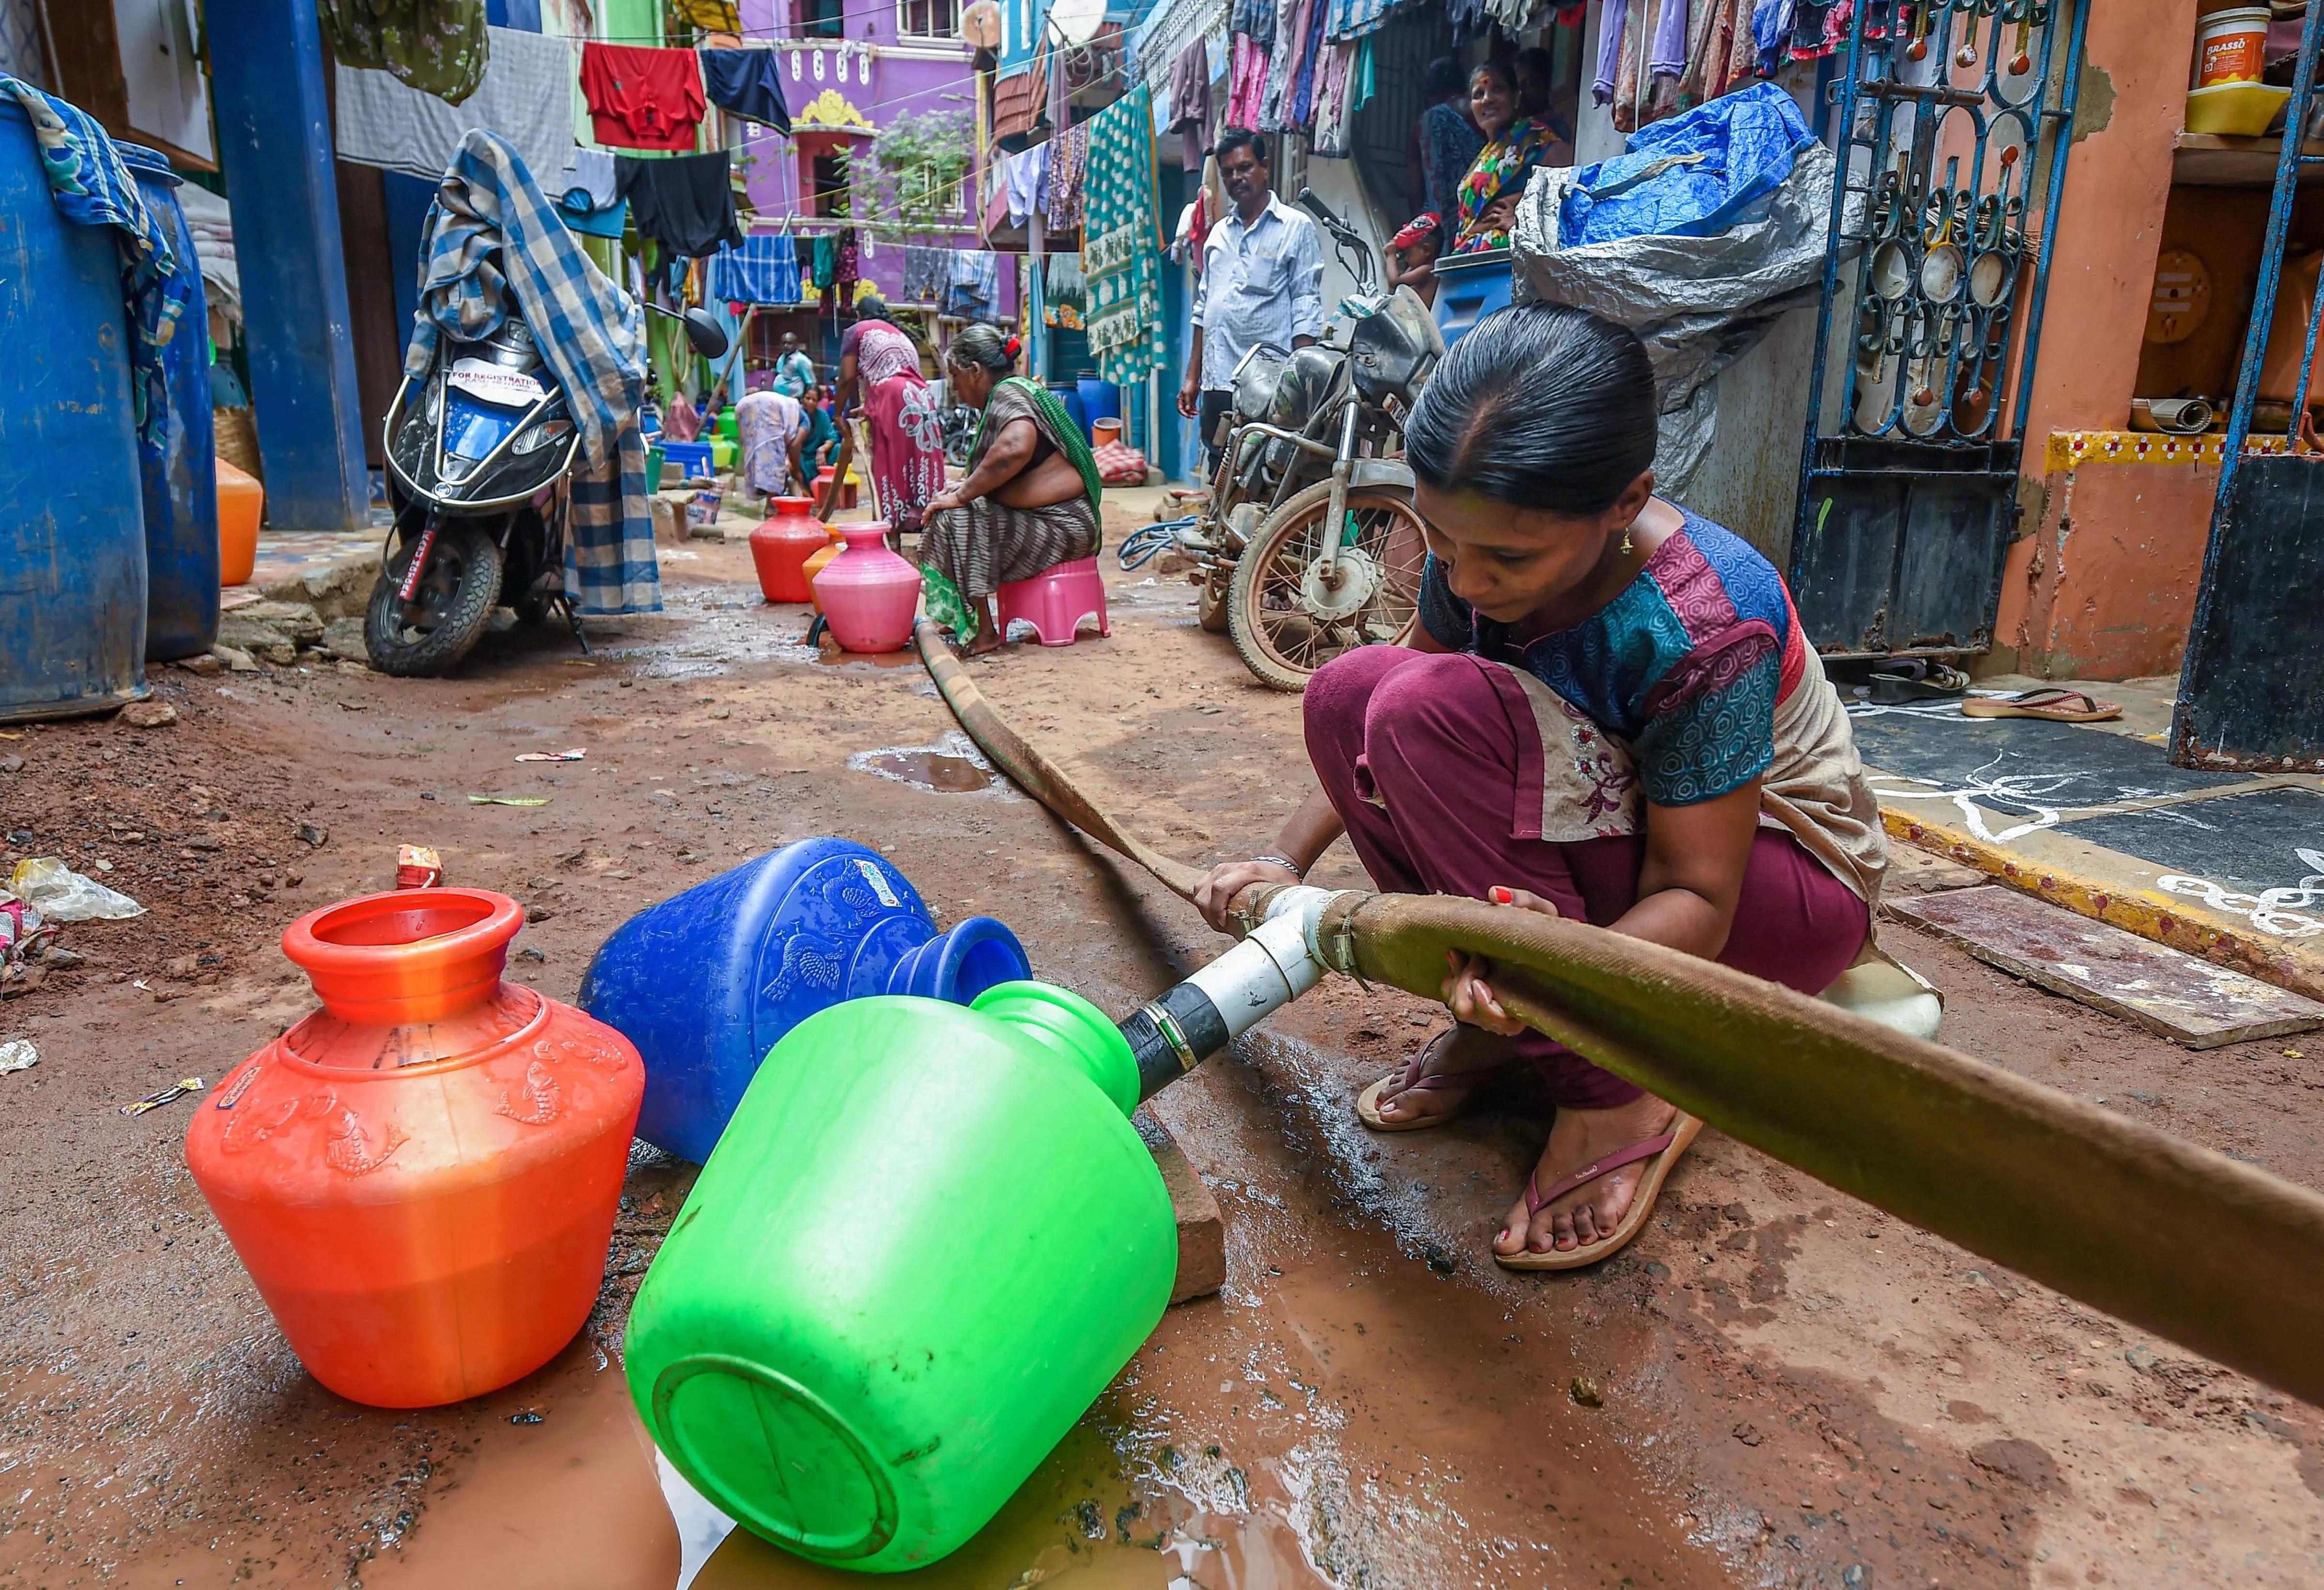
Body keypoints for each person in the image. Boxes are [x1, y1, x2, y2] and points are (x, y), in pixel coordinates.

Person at [1193, 305, 1885, 1271]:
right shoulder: (1473, 549)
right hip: (1613, 863)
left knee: (1424, 707)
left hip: (1775, 898)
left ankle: (1613, 1091)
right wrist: (1278, 859)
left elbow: (1699, 898)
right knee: (1355, 690)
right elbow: (1373, 725)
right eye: (1442, 543)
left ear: (1624, 500)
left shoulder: (1705, 618)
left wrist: (1538, 966)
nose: (1468, 580)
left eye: (1508, 559)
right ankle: (1523, 1030)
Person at [921, 324, 1102, 657]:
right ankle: (963, 613)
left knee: (956, 516)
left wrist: (963, 495)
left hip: (1063, 527)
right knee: (952, 509)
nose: (954, 388)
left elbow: (1016, 447)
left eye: (954, 376)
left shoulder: (1008, 394)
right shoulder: (1017, 391)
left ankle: (983, 632)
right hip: (1057, 521)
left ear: (975, 371)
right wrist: (967, 488)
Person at [1175, 129, 1324, 472]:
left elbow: (1305, 306)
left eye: (1244, 168)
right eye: (1228, 172)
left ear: (1266, 168)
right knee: (1219, 469)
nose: (1235, 178)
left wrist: (1300, 385)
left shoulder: (1295, 228)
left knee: (1264, 474)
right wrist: (1193, 376)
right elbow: (1204, 310)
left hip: (1267, 384)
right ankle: (1221, 528)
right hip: (1218, 381)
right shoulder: (1218, 236)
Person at [829, 296, 945, 535]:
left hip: (891, 396)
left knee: (888, 460)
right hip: (921, 397)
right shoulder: (899, 334)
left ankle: (890, 534)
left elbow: (848, 378)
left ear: (860, 316)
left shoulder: (856, 331)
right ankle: (927, 525)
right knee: (918, 460)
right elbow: (900, 374)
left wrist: (838, 412)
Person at [1452, 58, 1571, 255]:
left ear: (1516, 98)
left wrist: (1519, 219)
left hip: (1508, 259)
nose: (1487, 100)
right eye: (1478, 94)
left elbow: (1569, 191)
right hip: (1472, 259)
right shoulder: (1485, 156)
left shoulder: (1535, 138)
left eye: (1497, 90)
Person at [1413, 56, 1485, 227]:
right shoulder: (1485, 113)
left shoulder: (1425, 124)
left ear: (1432, 91)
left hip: (1438, 225)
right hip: (1479, 215)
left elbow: (1415, 187)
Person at [735, 387, 806, 496]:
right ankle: (771, 505)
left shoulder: (789, 410)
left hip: (742, 406)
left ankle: (767, 496)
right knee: (774, 463)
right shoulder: (806, 422)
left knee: (758, 452)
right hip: (768, 407)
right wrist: (797, 472)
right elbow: (794, 446)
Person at [1385, 212, 1446, 309]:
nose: (1406, 259)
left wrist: (1391, 255)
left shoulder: (1429, 269)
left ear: (1426, 250)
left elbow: (1395, 282)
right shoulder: (1414, 268)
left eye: (1408, 254)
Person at [799, 382, 841, 474]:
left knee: (839, 449)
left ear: (818, 402)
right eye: (808, 398)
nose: (811, 402)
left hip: (819, 458)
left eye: (814, 400)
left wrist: (822, 450)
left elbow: (833, 437)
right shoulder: (796, 413)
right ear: (803, 398)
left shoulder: (822, 415)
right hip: (801, 458)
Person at [772, 332, 816, 398]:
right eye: (784, 343)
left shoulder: (802, 360)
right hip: (779, 399)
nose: (786, 346)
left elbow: (811, 383)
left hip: (795, 400)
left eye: (789, 343)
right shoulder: (781, 358)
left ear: (796, 345)